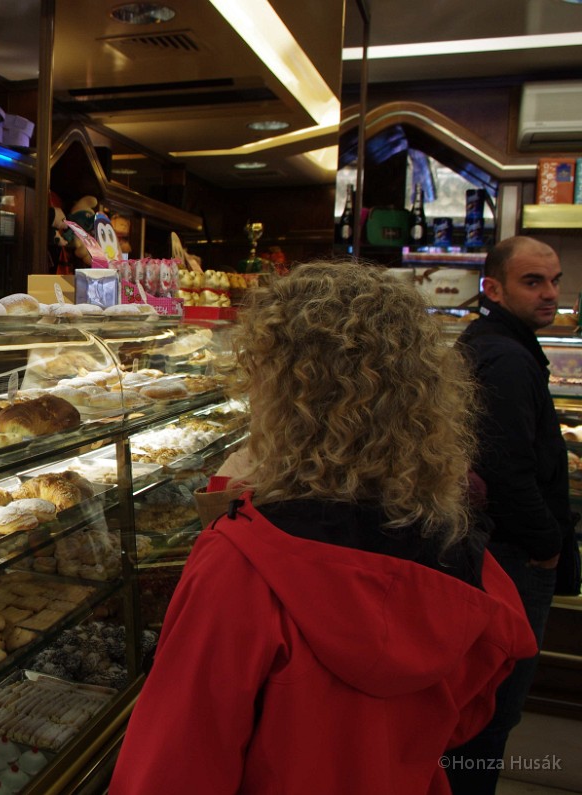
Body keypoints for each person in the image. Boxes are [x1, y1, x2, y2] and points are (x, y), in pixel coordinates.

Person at [109, 261, 537, 795]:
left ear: (278, 393)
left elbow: (172, 766)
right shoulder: (460, 549)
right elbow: (465, 717)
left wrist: (225, 503)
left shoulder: (241, 564)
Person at [445, 236, 581, 793]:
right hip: (511, 556)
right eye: (533, 282)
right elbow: (506, 469)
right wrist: (548, 545)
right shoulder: (506, 357)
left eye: (554, 281)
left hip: (494, 549)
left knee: (479, 707)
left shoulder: (497, 343)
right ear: (493, 289)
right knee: (492, 711)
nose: (550, 293)